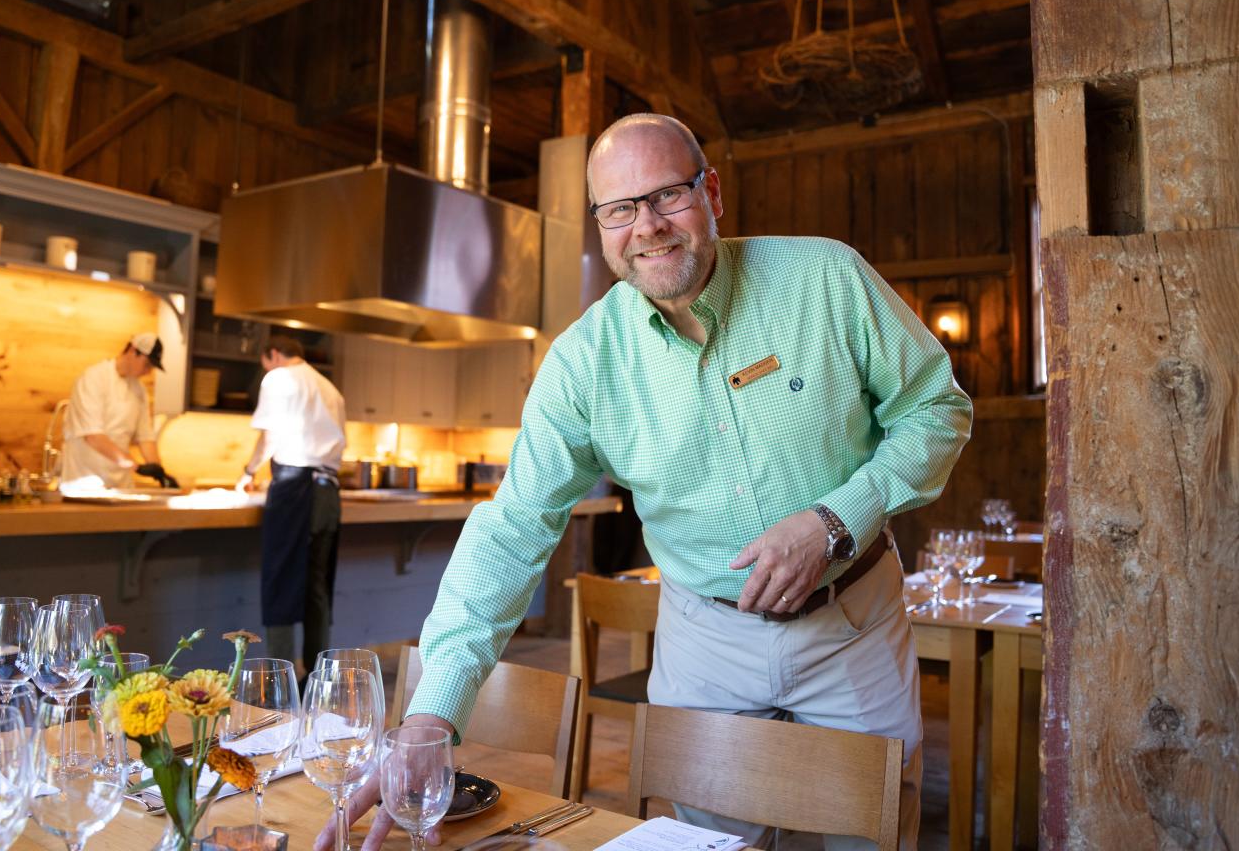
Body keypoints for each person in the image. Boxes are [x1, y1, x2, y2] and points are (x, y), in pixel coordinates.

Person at [319, 113, 972, 851]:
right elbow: (513, 528)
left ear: (712, 191)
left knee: (872, 839)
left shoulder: (825, 278)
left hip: (851, 623)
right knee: (705, 847)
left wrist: (833, 520)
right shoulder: (583, 363)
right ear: (600, 223)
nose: (649, 227)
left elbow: (937, 411)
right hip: (703, 642)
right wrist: (431, 716)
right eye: (620, 209)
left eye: (667, 195)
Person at [236, 335, 348, 671]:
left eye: (265, 363)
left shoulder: (280, 378)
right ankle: (318, 677)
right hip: (328, 490)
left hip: (295, 487)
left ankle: (277, 680)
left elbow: (270, 434)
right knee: (317, 587)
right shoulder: (330, 388)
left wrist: (248, 471)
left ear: (272, 354)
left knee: (281, 581)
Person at [60, 332, 177, 490]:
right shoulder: (94, 378)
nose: (148, 371)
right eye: (147, 364)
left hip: (121, 484)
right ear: (133, 351)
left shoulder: (139, 390)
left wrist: (160, 472)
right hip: (84, 480)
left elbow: (145, 436)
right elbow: (93, 436)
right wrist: (135, 466)